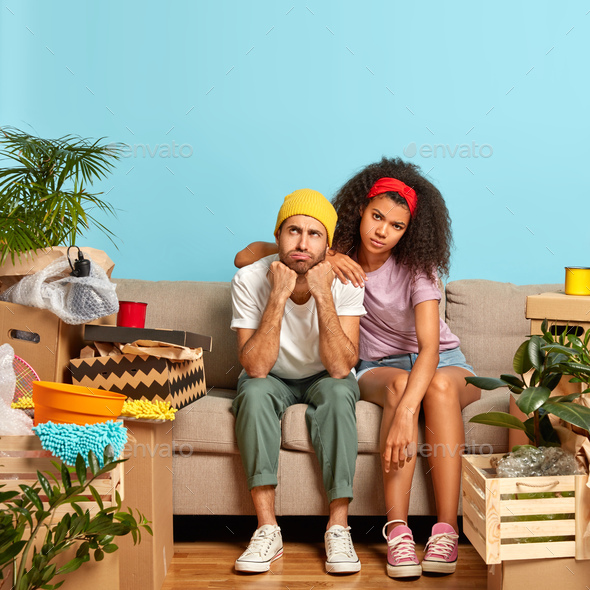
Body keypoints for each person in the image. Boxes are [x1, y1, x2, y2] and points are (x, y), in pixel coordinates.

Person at [235, 158, 481, 579]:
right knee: (398, 385)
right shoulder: (336, 255)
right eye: (377, 217)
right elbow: (252, 254)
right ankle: (399, 532)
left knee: (435, 388)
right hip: (379, 366)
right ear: (360, 212)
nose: (382, 231)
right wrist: (328, 251)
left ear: (410, 233)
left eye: (396, 226)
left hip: (440, 361)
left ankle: (446, 530)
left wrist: (406, 413)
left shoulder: (418, 268)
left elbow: (429, 349)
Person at [230, 188, 366, 575]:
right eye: (293, 231)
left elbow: (342, 367)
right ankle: (267, 529)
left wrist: (323, 294)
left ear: (328, 245)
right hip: (271, 375)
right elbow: (255, 367)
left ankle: (338, 528)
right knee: (253, 393)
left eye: (314, 234)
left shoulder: (345, 281)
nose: (302, 242)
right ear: (277, 236)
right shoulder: (250, 278)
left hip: (326, 375)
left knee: (341, 392)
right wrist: (278, 296)